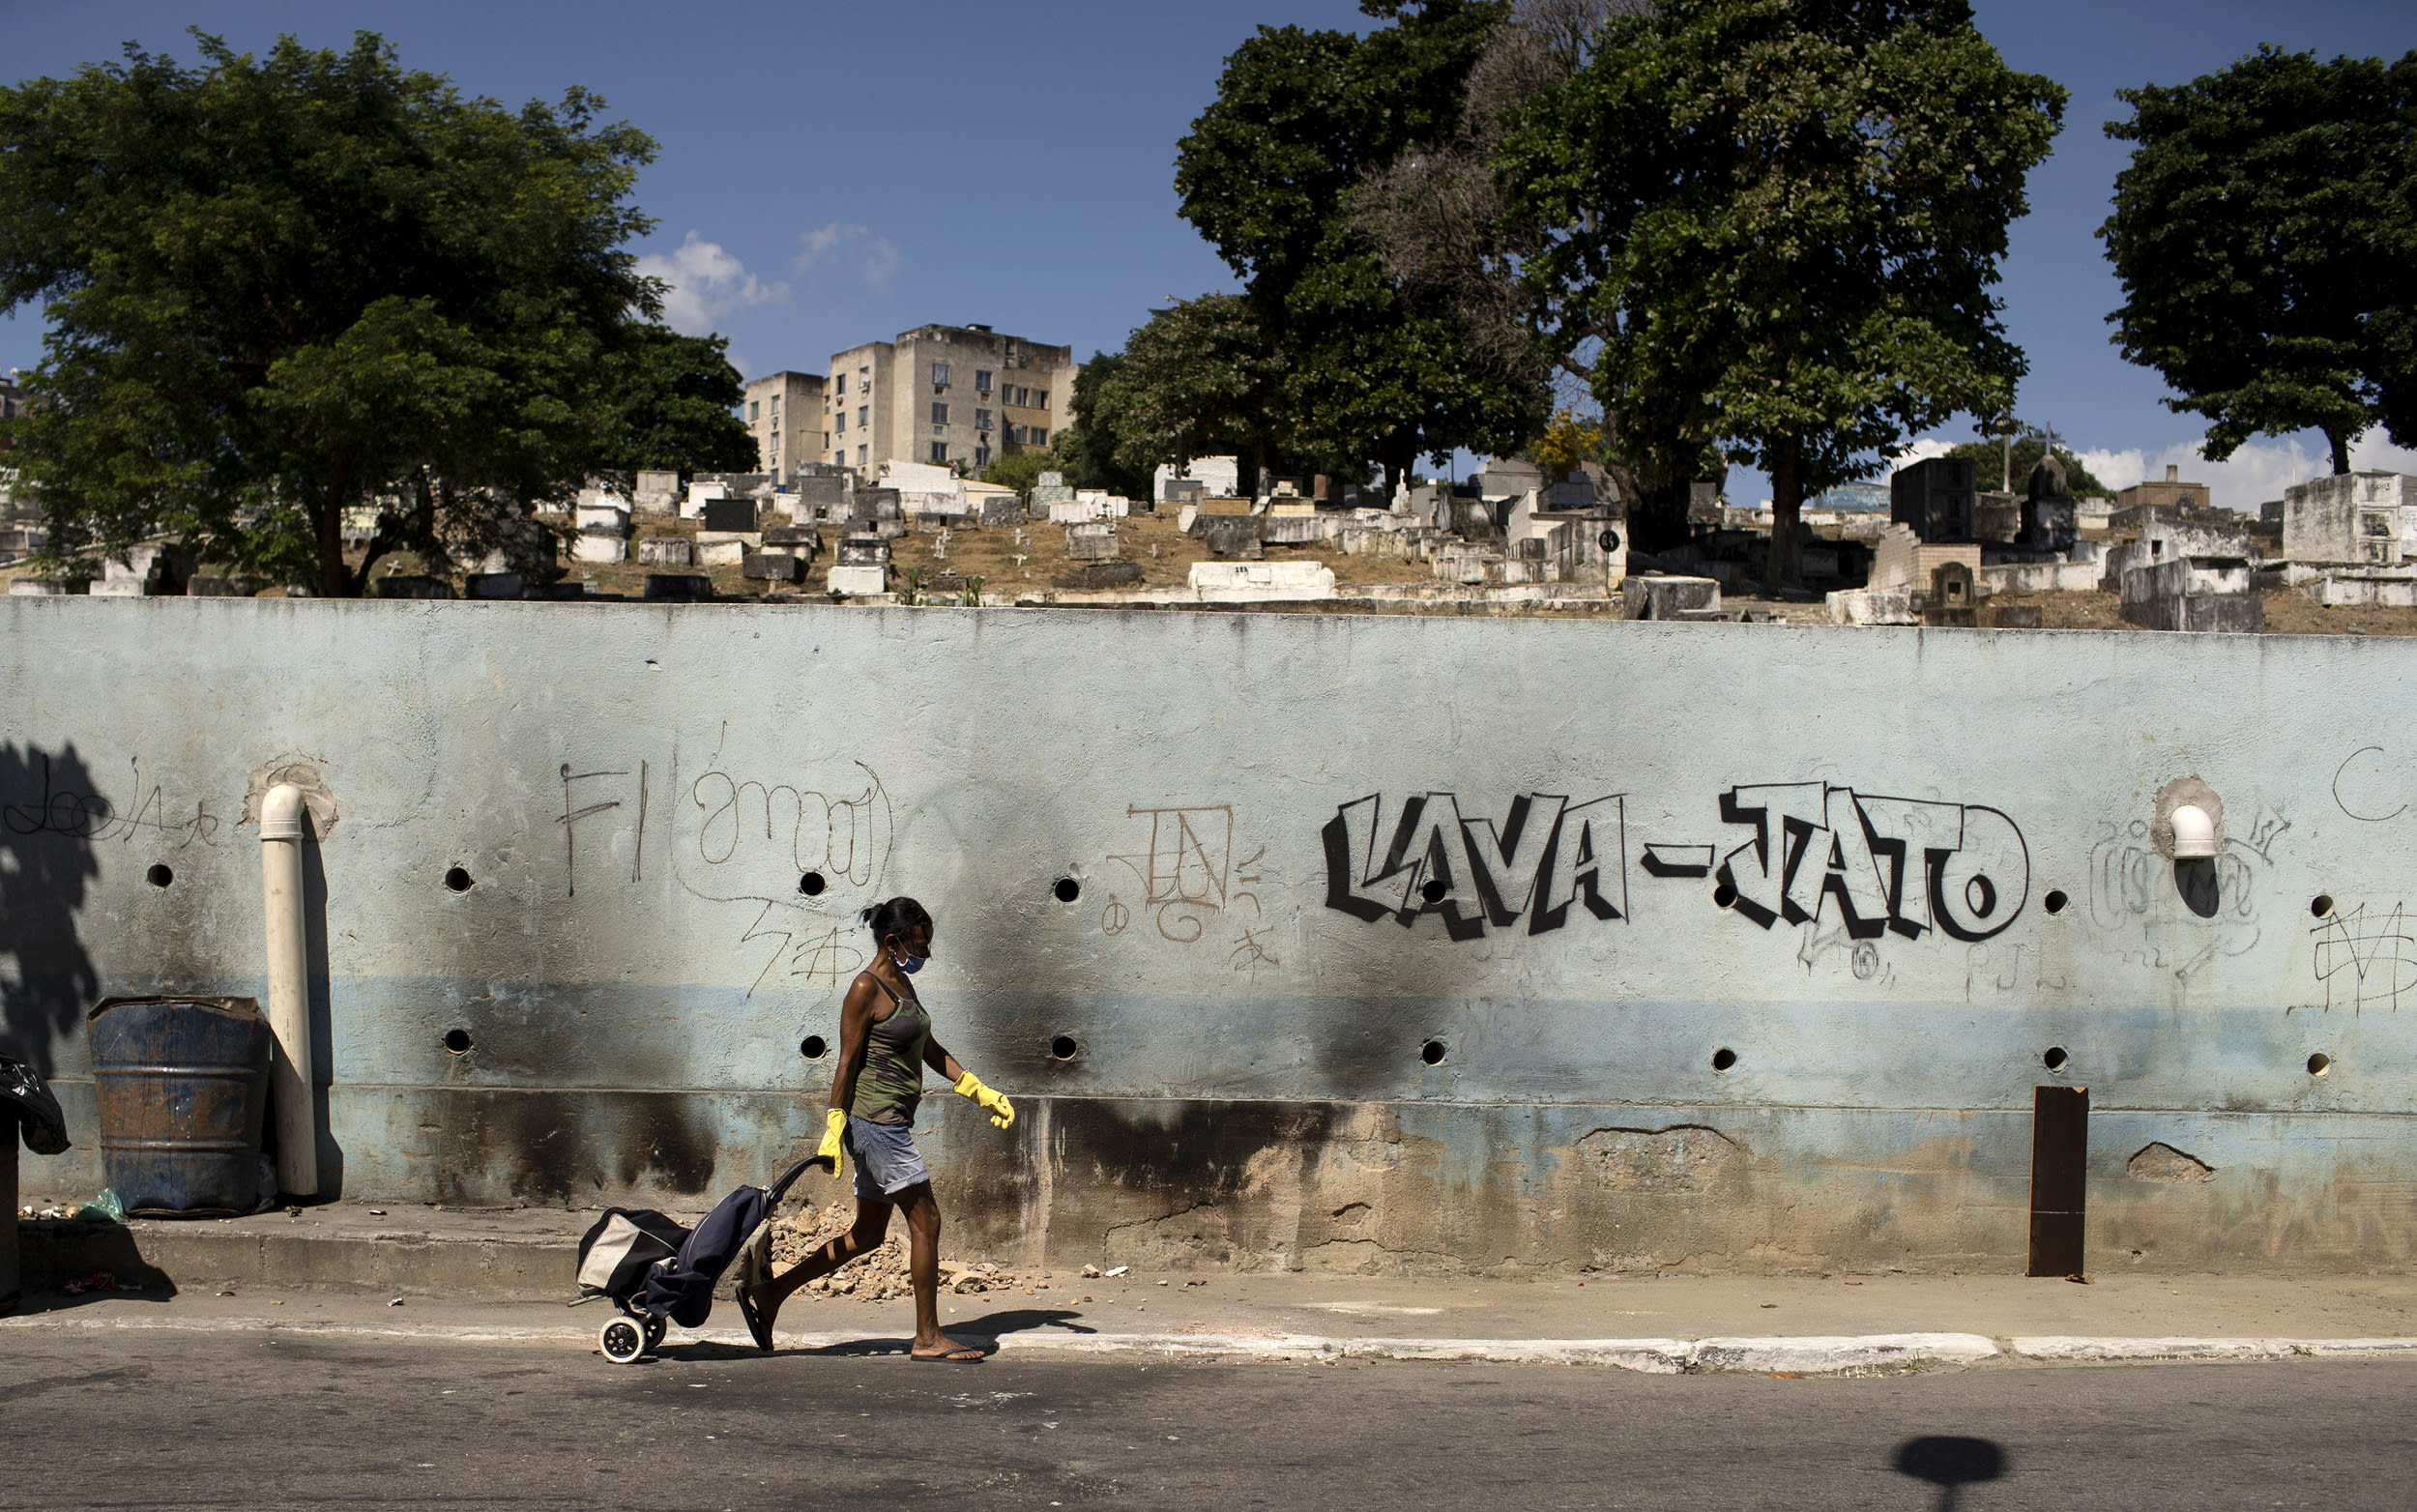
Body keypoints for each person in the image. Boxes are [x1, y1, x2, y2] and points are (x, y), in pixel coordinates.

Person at [736, 895, 1015, 1361]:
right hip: (876, 1125)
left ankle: (771, 1294)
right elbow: (846, 1062)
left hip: (888, 1124)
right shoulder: (865, 988)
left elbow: (927, 1045)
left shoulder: (901, 983)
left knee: (867, 1235)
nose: (924, 954)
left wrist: (977, 1088)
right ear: (892, 941)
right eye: (918, 945)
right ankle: (927, 1339)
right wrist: (834, 1126)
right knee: (926, 1220)